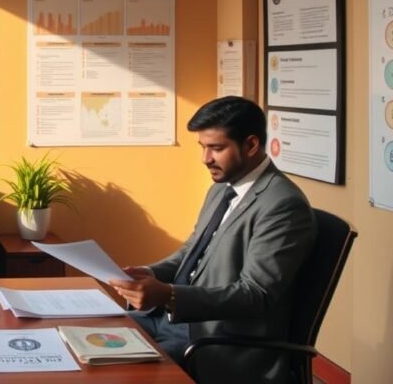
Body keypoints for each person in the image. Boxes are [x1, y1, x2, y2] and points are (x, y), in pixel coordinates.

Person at [109, 96, 316, 384]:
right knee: (93, 337)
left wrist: (168, 295)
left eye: (216, 148)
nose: (205, 159)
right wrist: (151, 273)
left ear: (251, 145)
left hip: (217, 341)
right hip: (174, 320)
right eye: (203, 147)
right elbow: (191, 253)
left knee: (117, 372)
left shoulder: (282, 205)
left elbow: (255, 294)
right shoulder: (222, 189)